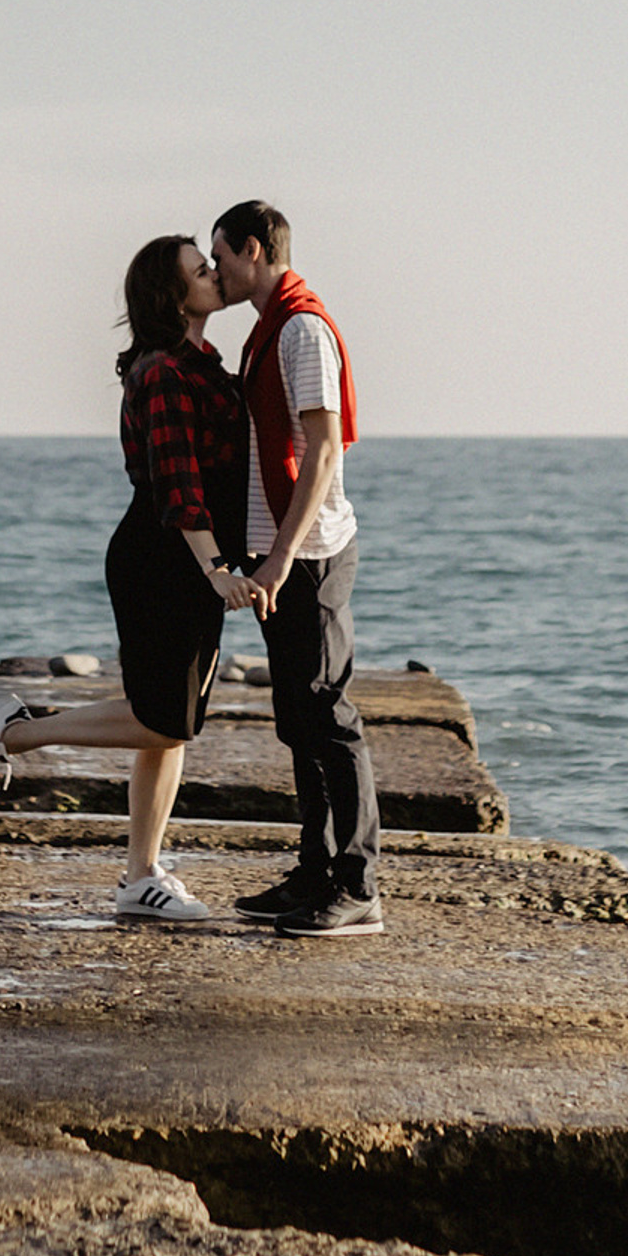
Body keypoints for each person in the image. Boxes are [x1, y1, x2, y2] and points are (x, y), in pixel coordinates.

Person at [0, 234, 256, 921]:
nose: (214, 274)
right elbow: (178, 483)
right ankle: (17, 731)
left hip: (184, 556)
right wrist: (214, 568)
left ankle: (141, 877)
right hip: (163, 557)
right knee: (159, 718)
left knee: (172, 728)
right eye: (201, 270)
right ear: (172, 295)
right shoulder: (163, 371)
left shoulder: (203, 363)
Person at [208, 198, 382, 936]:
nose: (215, 271)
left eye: (220, 257)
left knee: (327, 716)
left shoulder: (301, 329)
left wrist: (280, 556)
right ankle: (315, 872)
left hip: (308, 554)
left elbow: (325, 449)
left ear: (253, 248)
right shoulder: (268, 329)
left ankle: (359, 886)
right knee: (297, 721)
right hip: (277, 551)